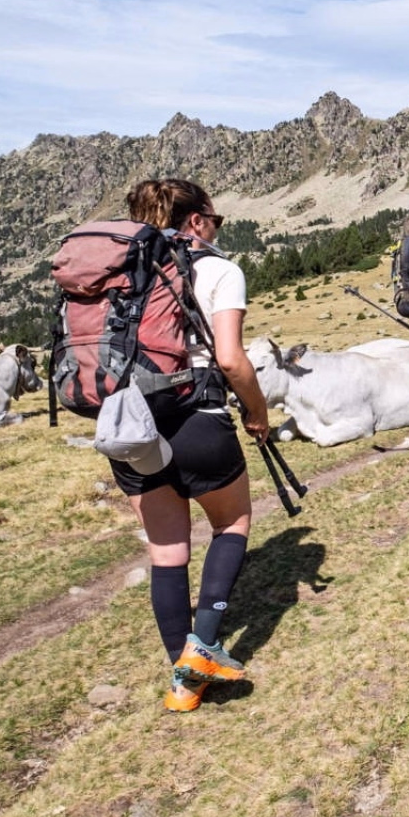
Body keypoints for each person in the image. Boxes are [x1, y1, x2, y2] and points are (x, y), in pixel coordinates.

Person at [115, 178, 270, 714]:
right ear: (198, 221)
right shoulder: (219, 270)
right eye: (216, 219)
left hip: (129, 426)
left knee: (167, 551)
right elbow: (230, 359)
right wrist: (258, 411)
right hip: (195, 419)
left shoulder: (118, 273)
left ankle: (183, 682)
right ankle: (199, 655)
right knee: (231, 523)